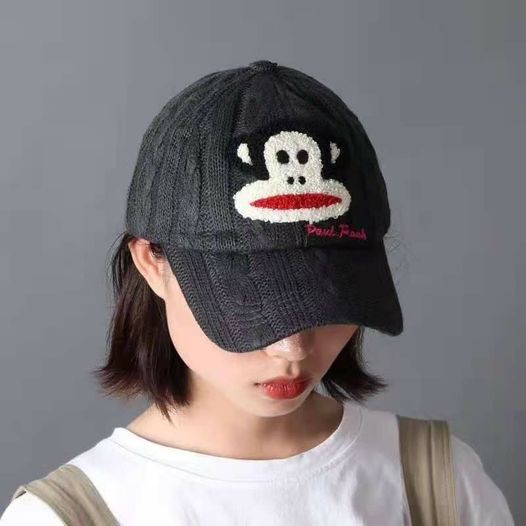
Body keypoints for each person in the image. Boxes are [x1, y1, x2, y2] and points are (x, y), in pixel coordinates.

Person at [1, 60, 514, 525]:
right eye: (250, 301)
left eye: (324, 300)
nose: (292, 350)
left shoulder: (440, 483)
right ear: (152, 262)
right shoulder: (64, 518)